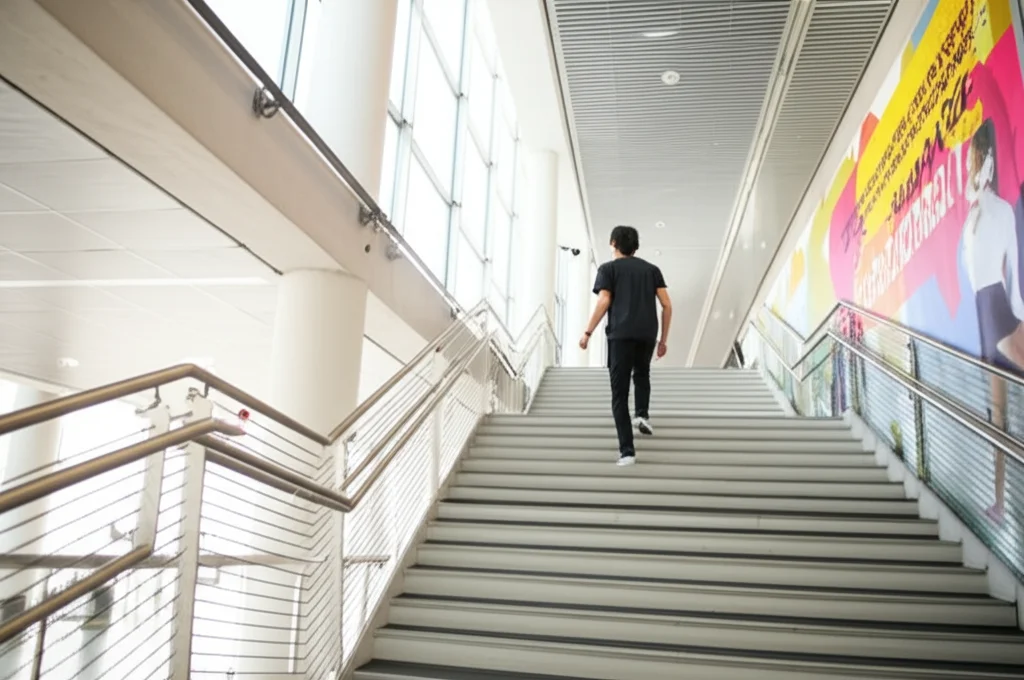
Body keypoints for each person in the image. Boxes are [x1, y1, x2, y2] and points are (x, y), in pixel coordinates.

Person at [961, 118, 1024, 522]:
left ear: (984, 157)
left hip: (999, 309)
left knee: (1002, 409)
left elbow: (1013, 271)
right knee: (996, 417)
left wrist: (1019, 318)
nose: (967, 163)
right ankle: (1001, 504)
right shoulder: (973, 215)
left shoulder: (999, 211)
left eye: (972, 155)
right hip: (984, 313)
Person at [579, 226, 672, 466]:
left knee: (619, 394)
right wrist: (663, 340)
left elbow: (604, 300)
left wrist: (587, 332)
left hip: (621, 335)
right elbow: (667, 305)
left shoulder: (608, 270)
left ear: (612, 243)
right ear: (636, 247)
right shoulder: (652, 270)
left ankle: (627, 451)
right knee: (642, 373)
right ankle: (641, 414)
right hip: (647, 334)